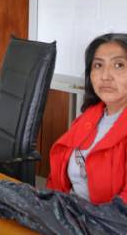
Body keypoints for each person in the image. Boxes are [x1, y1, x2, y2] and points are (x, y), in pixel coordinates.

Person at [47, 33, 127, 204]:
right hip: (69, 212)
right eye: (98, 65)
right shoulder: (89, 117)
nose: (105, 76)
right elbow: (57, 179)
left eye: (119, 65)